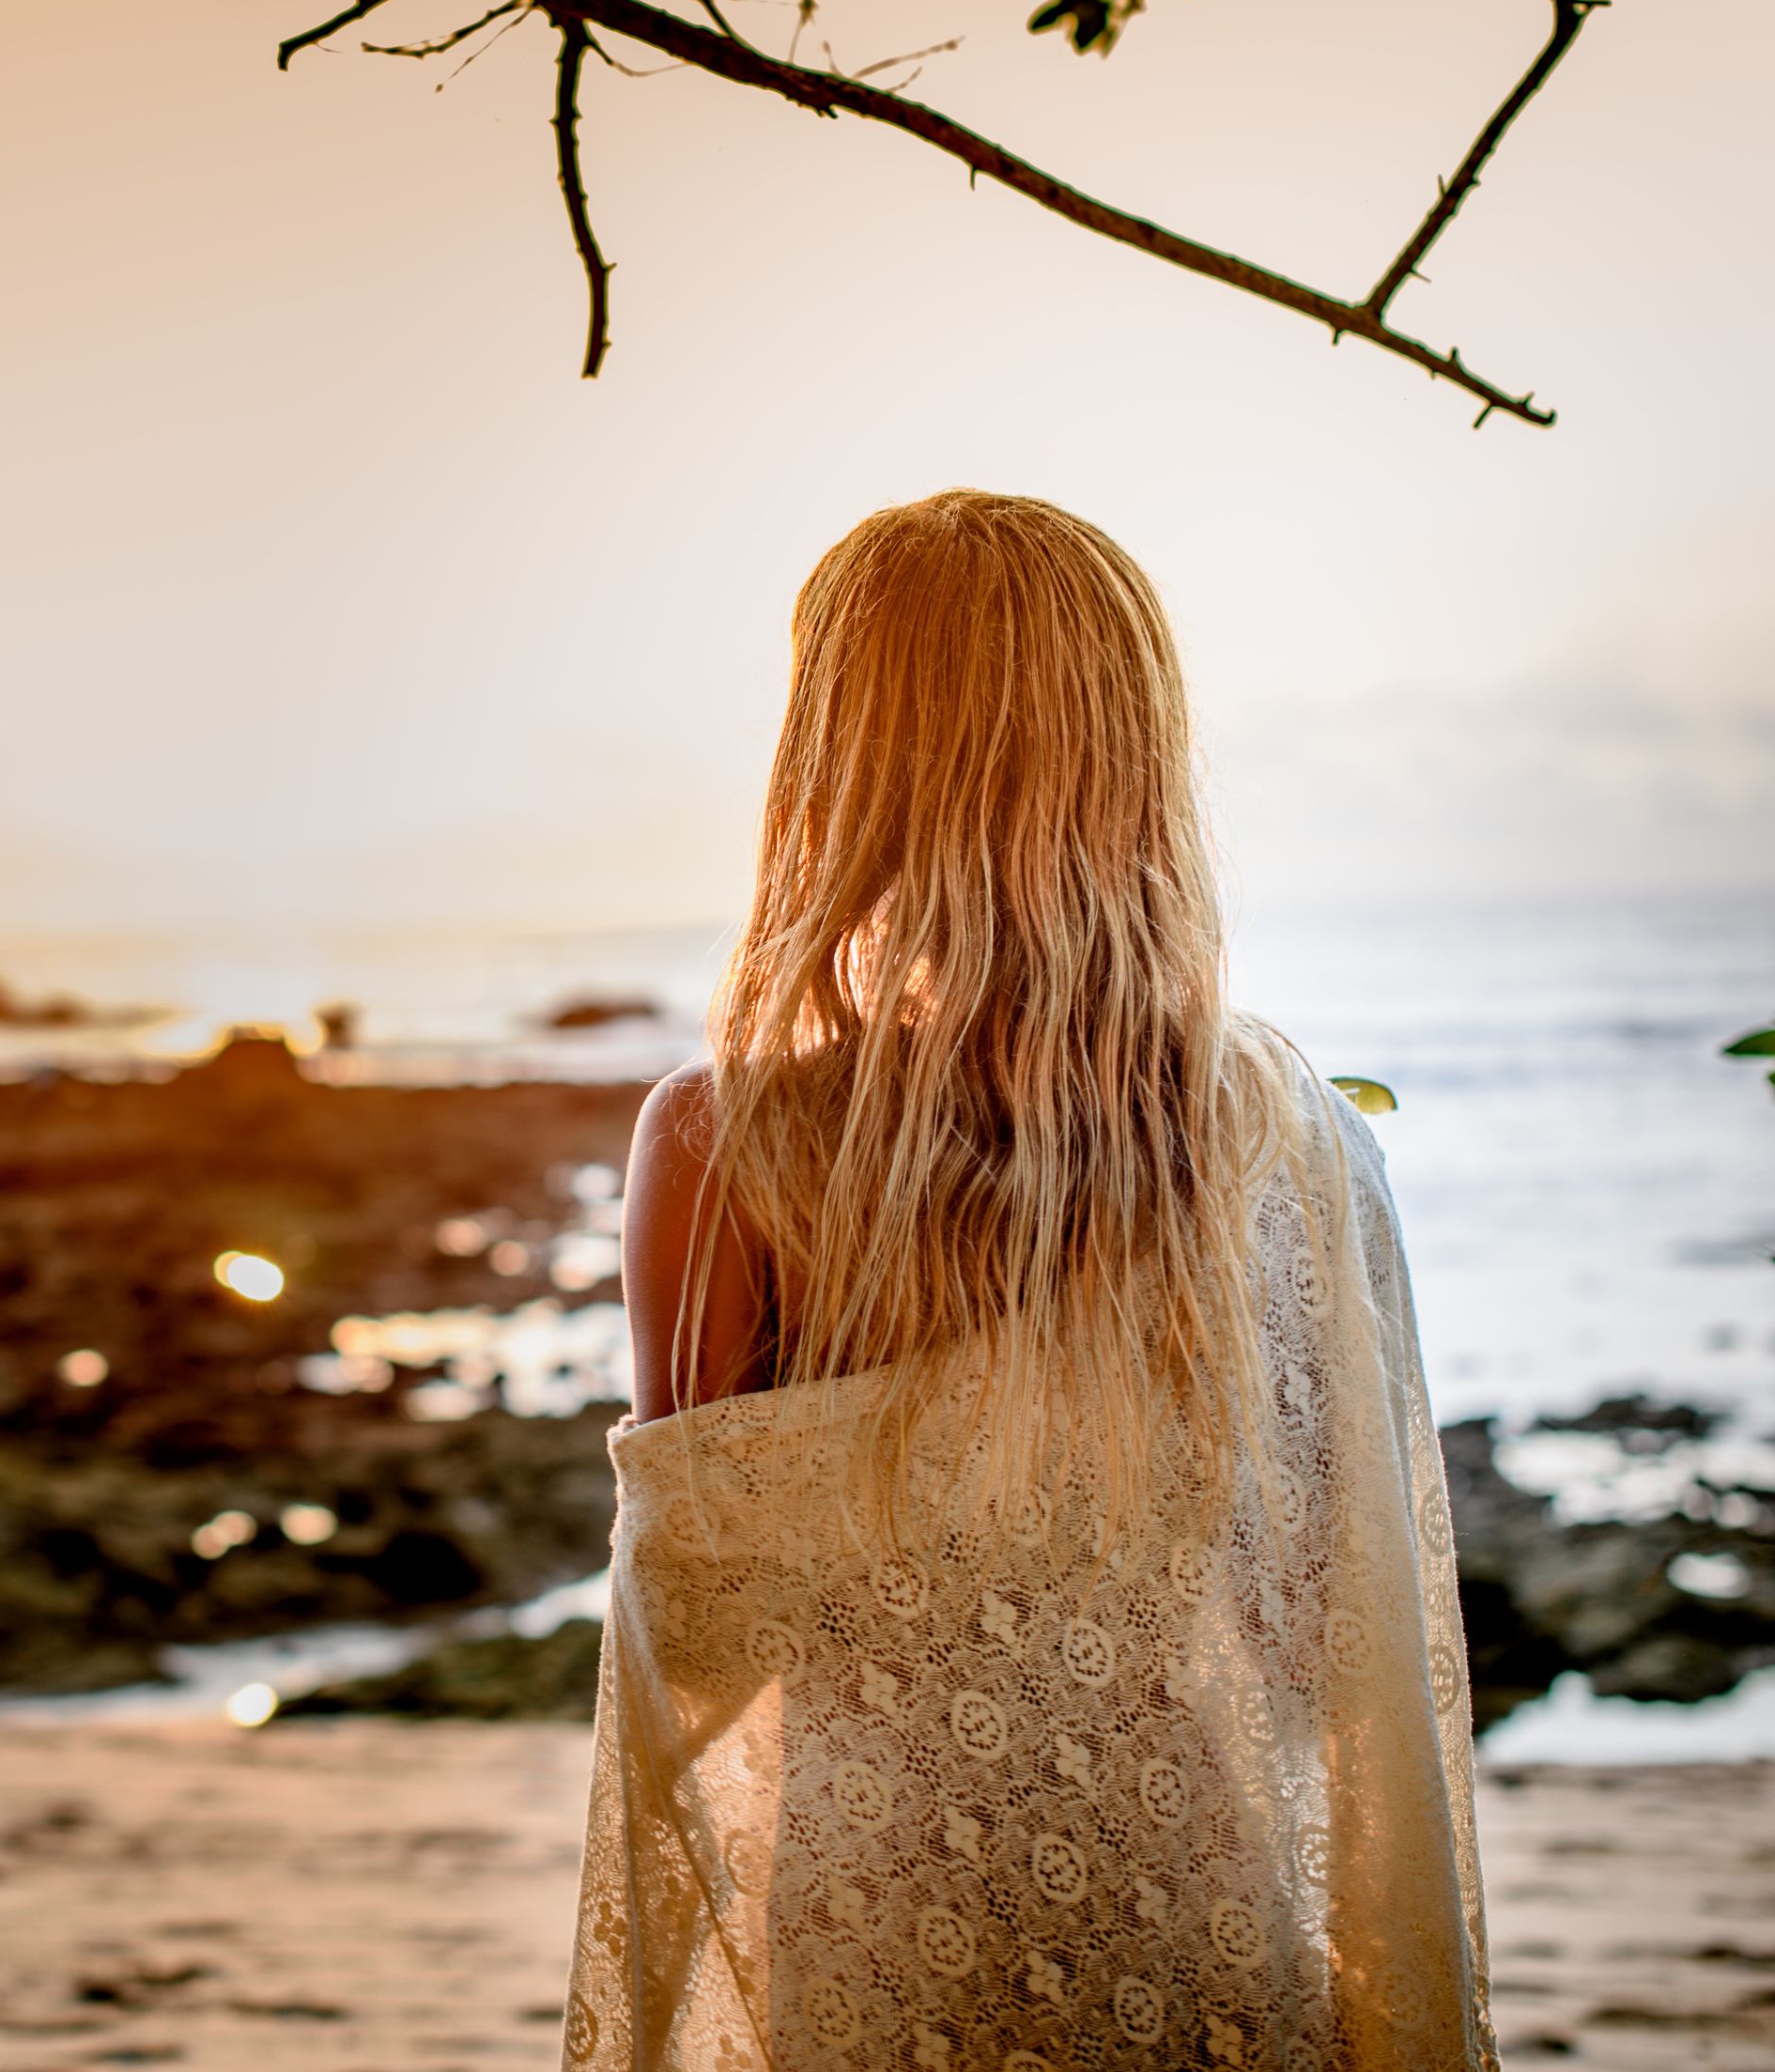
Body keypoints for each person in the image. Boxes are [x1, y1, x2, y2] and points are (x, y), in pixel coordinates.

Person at [564, 493, 1489, 2071]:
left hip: (877, 1920)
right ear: (1135, 755)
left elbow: (699, 1645)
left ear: (841, 760)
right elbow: (1317, 1641)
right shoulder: (1288, 1135)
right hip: (1198, 1893)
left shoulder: (732, 1140)